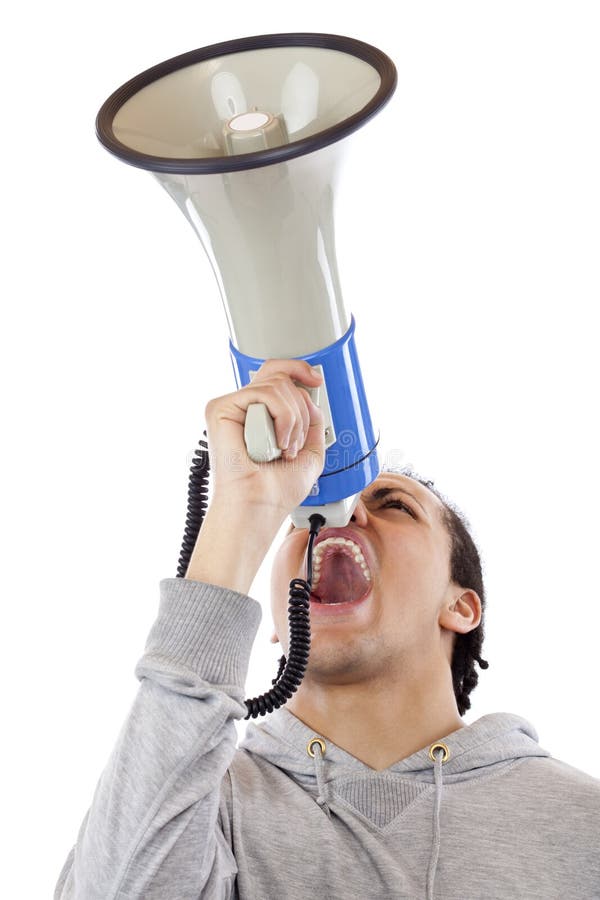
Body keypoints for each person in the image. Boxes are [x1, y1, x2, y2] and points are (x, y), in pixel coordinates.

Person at [55, 359, 599, 899]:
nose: (342, 515)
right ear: (277, 620)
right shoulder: (194, 806)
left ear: (460, 607)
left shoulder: (584, 825)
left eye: (395, 506)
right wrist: (239, 513)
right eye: (308, 512)